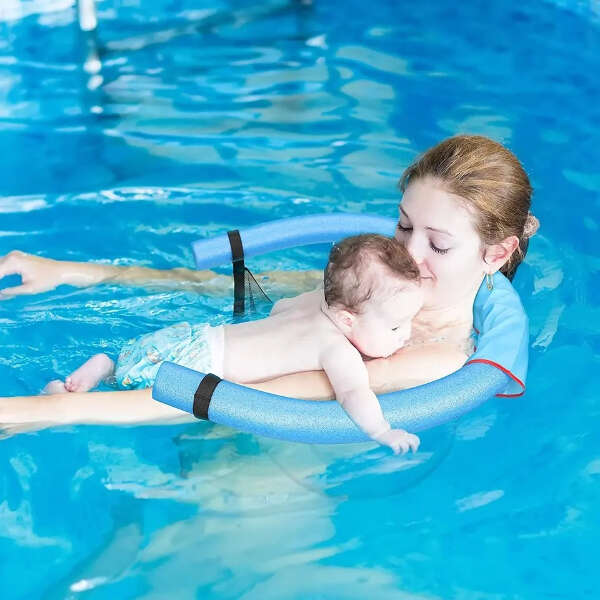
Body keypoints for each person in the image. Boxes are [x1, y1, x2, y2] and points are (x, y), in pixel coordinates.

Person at [0, 134, 539, 434]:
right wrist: (70, 272)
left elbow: (243, 400)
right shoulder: (372, 290)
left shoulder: (432, 356)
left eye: (438, 244)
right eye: (402, 224)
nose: (407, 250)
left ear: (496, 253)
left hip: (257, 464)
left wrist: (45, 412)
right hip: (200, 396)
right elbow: (213, 287)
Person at [43, 234, 424, 453]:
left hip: (187, 336)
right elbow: (354, 394)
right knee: (141, 405)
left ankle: (105, 366)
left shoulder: (310, 301)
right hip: (196, 370)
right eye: (395, 327)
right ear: (346, 320)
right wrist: (381, 431)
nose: (406, 333)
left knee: (124, 371)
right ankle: (64, 399)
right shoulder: (338, 349)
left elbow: (278, 314)